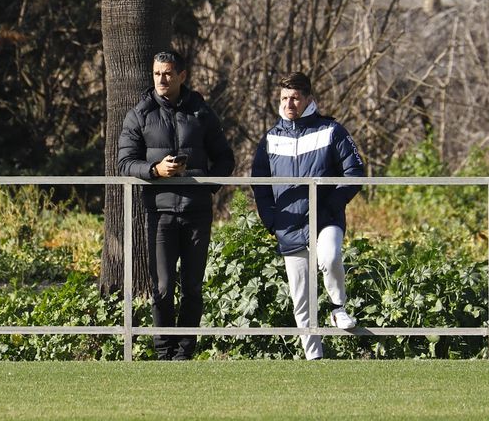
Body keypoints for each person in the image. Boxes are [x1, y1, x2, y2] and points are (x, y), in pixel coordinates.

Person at [118, 50, 235, 360]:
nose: (161, 79)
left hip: (197, 212)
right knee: (163, 288)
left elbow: (225, 158)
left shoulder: (202, 113)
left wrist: (207, 188)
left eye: (168, 73)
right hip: (159, 212)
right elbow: (125, 162)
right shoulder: (139, 114)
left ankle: (184, 354)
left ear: (182, 76)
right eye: (157, 73)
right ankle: (163, 353)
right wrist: (155, 171)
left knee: (193, 288)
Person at [251, 71, 364, 360]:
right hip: (288, 225)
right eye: (285, 98)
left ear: (309, 100)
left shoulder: (331, 130)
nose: (290, 103)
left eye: (296, 98)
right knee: (301, 299)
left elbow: (355, 172)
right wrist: (271, 219)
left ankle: (338, 307)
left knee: (330, 257)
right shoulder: (270, 139)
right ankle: (315, 359)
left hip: (325, 219)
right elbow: (259, 183)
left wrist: (331, 205)